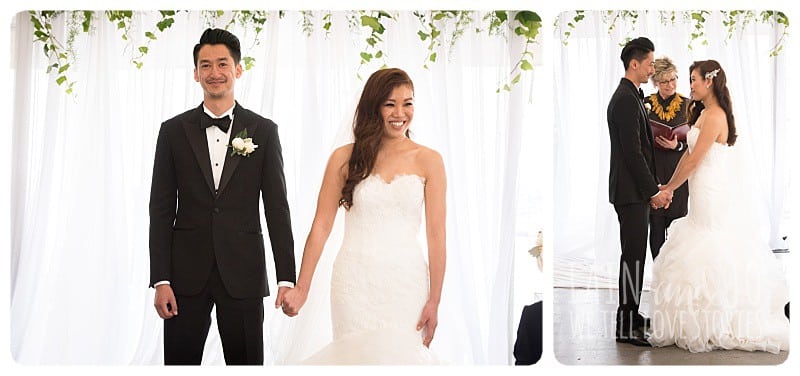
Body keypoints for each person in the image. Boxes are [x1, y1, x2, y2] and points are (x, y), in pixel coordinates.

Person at [148, 28, 296, 365]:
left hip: (243, 273)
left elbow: (277, 209)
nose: (215, 73)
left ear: (238, 69)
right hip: (184, 277)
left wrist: (286, 277)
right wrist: (161, 279)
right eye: (206, 65)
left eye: (223, 64)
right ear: (196, 73)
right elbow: (160, 209)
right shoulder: (172, 131)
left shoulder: (264, 131)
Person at [280, 68, 447, 364]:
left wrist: (434, 299)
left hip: (406, 284)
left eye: (408, 103)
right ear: (373, 106)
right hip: (354, 282)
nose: (400, 113)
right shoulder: (344, 158)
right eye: (390, 104)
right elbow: (321, 226)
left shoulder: (429, 160)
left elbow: (436, 235)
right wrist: (301, 288)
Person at [647, 60, 789, 353]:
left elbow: (694, 159)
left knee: (711, 245)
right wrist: (670, 185)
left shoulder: (714, 116)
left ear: (709, 82)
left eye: (693, 80)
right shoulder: (702, 113)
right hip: (701, 187)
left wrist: (669, 187)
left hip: (711, 188)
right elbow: (687, 156)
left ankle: (717, 321)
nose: (690, 86)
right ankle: (699, 318)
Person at [606, 36, 672, 347]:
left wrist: (653, 186)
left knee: (635, 258)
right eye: (648, 64)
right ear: (634, 64)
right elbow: (632, 153)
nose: (652, 70)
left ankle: (632, 316)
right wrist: (652, 191)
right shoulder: (624, 99)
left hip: (635, 191)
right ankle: (624, 324)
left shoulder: (631, 95)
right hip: (630, 193)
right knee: (632, 258)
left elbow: (639, 151)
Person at [644, 57, 690, 259]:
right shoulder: (645, 104)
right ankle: (658, 274)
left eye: (673, 79)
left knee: (677, 229)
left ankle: (675, 276)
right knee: (655, 228)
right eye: (664, 81)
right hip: (653, 171)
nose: (670, 85)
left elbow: (697, 142)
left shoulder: (689, 105)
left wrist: (677, 144)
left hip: (678, 171)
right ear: (655, 82)